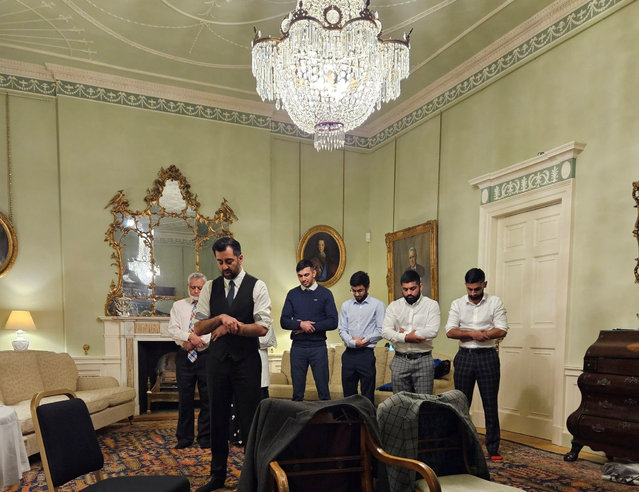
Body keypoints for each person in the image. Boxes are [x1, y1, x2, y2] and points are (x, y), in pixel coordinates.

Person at [193, 237, 272, 492]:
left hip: (247, 363)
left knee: (250, 423)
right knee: (217, 418)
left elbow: (262, 327)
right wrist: (220, 318)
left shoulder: (257, 286)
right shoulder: (209, 288)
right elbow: (199, 326)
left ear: (240, 257)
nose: (224, 267)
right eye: (219, 262)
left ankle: (252, 478)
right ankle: (217, 476)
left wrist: (232, 328)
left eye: (228, 261)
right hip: (216, 363)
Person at [445, 267, 508, 461]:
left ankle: (493, 448)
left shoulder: (495, 302)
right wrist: (473, 334)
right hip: (464, 356)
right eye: (470, 289)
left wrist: (484, 335)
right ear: (466, 286)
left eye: (477, 289)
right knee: (462, 404)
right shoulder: (457, 304)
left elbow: (502, 329)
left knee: (490, 403)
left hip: (487, 356)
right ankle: (461, 445)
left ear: (484, 285)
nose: (473, 293)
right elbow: (450, 331)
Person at [280, 259, 338, 401]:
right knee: (297, 393)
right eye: (300, 276)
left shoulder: (326, 294)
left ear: (314, 273)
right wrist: (300, 325)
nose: (303, 279)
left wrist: (310, 327)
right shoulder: (292, 294)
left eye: (306, 275)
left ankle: (325, 421)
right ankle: (298, 422)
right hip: (298, 348)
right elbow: (284, 321)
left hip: (318, 347)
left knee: (323, 391)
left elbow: (333, 322)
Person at [167, 272, 210, 449]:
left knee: (208, 399)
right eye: (193, 287)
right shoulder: (178, 306)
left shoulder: (211, 306)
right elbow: (173, 329)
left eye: (200, 287)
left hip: (206, 355)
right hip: (185, 356)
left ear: (204, 288)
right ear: (188, 287)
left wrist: (200, 341)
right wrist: (189, 338)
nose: (196, 290)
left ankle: (206, 438)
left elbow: (212, 329)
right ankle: (184, 439)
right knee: (185, 399)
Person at [382, 269, 440, 394]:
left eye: (413, 288)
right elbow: (385, 331)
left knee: (424, 404)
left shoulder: (431, 305)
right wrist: (406, 337)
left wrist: (402, 333)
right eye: (405, 289)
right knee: (400, 404)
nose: (409, 293)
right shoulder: (394, 306)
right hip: (400, 359)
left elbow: (432, 331)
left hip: (423, 359)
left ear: (420, 286)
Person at [338, 271, 385, 404]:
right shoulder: (346, 305)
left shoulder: (378, 305)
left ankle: (367, 424)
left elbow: (381, 330)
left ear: (367, 287)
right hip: (348, 355)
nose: (357, 294)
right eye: (354, 291)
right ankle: (349, 424)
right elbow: (342, 329)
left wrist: (363, 341)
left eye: (360, 290)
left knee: (367, 397)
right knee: (348, 398)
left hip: (366, 355)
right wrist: (353, 342)